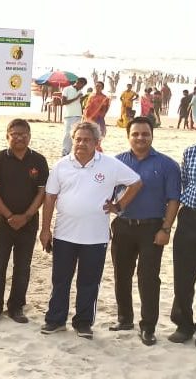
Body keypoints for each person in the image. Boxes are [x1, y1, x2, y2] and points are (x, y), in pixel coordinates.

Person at [39, 121, 142, 339]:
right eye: (78, 139)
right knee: (60, 280)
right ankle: (55, 320)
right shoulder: (61, 166)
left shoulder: (110, 164)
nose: (81, 143)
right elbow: (49, 198)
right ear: (72, 140)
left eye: (87, 140)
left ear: (96, 142)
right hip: (64, 234)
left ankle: (83, 323)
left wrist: (119, 206)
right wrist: (45, 230)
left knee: (89, 283)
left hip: (96, 237)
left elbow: (136, 183)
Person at [110, 116, 180, 345]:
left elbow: (173, 200)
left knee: (148, 278)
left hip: (152, 229)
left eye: (145, 134)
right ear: (128, 136)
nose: (140, 138)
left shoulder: (167, 165)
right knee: (122, 275)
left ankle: (148, 327)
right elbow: (107, 193)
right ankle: (124, 319)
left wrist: (166, 229)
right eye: (135, 134)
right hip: (123, 226)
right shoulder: (117, 162)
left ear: (152, 135)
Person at [0, 119, 49, 324]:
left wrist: (26, 216)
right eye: (15, 134)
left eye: (23, 134)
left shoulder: (39, 160)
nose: (19, 138)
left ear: (29, 136)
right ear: (7, 136)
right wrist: (10, 216)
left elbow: (42, 192)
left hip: (29, 223)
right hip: (3, 222)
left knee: (23, 266)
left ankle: (16, 307)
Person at [169, 137, 196, 347]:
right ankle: (184, 325)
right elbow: (185, 183)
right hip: (190, 219)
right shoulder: (191, 152)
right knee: (183, 276)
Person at [60, 77, 86, 156]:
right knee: (67, 134)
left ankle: (72, 151)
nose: (82, 87)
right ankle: (65, 151)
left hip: (78, 114)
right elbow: (63, 102)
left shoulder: (80, 91)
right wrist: (76, 98)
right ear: (77, 82)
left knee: (76, 134)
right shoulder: (67, 89)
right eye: (81, 85)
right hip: (69, 115)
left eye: (83, 86)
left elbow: (79, 103)